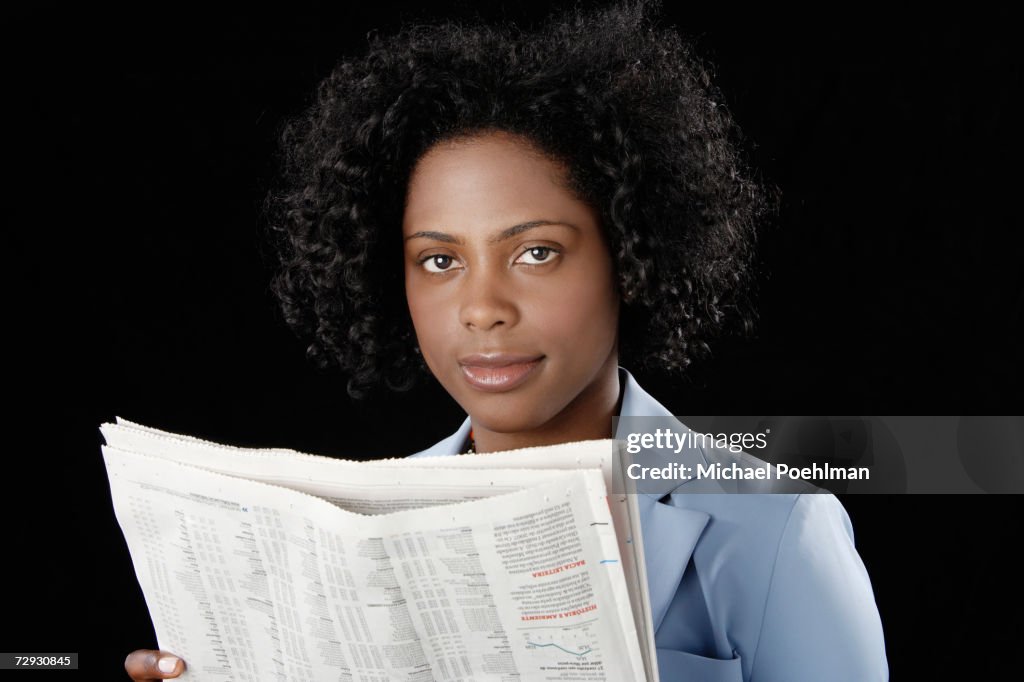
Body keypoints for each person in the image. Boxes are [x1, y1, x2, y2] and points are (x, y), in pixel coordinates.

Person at [124, 2, 887, 679]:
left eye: (536, 253)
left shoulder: (777, 530)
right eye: (440, 260)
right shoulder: (350, 530)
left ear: (630, 252)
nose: (481, 308)